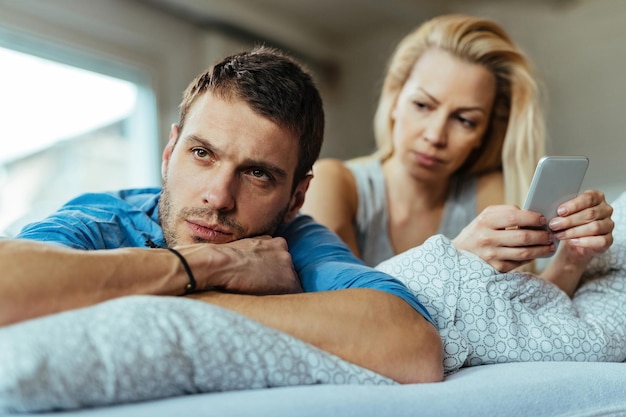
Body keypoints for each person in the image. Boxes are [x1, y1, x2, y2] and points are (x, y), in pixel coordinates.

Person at [0, 46, 444, 384]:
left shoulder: (296, 241)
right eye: (201, 153)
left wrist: (175, 296)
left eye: (256, 174)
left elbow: (413, 347)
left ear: (296, 197)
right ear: (170, 152)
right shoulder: (104, 218)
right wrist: (215, 263)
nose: (218, 197)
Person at [300, 14, 614, 296]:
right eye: (422, 105)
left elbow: (525, 322)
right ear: (394, 100)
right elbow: (345, 303)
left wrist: (574, 258)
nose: (435, 136)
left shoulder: (487, 193)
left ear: (483, 135)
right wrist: (455, 255)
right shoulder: (334, 183)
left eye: (465, 120)